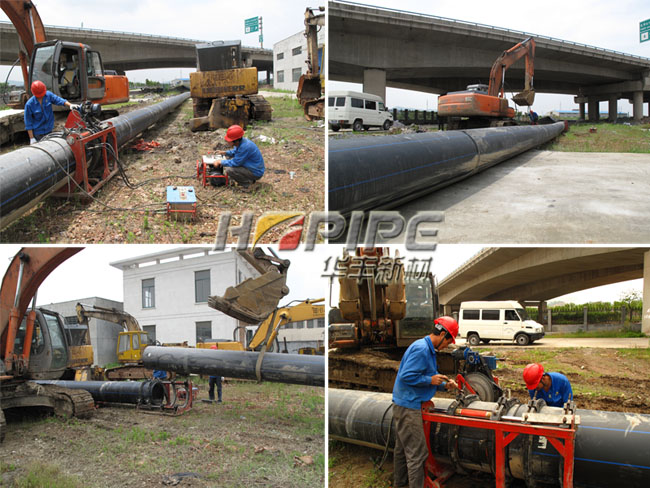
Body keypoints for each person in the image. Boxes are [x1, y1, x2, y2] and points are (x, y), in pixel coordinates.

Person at [392, 316, 459, 488]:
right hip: (408, 406)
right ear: (442, 334)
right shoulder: (421, 349)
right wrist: (430, 380)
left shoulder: (427, 349)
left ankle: (400, 484)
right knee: (418, 454)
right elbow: (406, 376)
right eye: (448, 341)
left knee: (402, 449)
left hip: (405, 403)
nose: (447, 346)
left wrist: (444, 385)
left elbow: (427, 375)